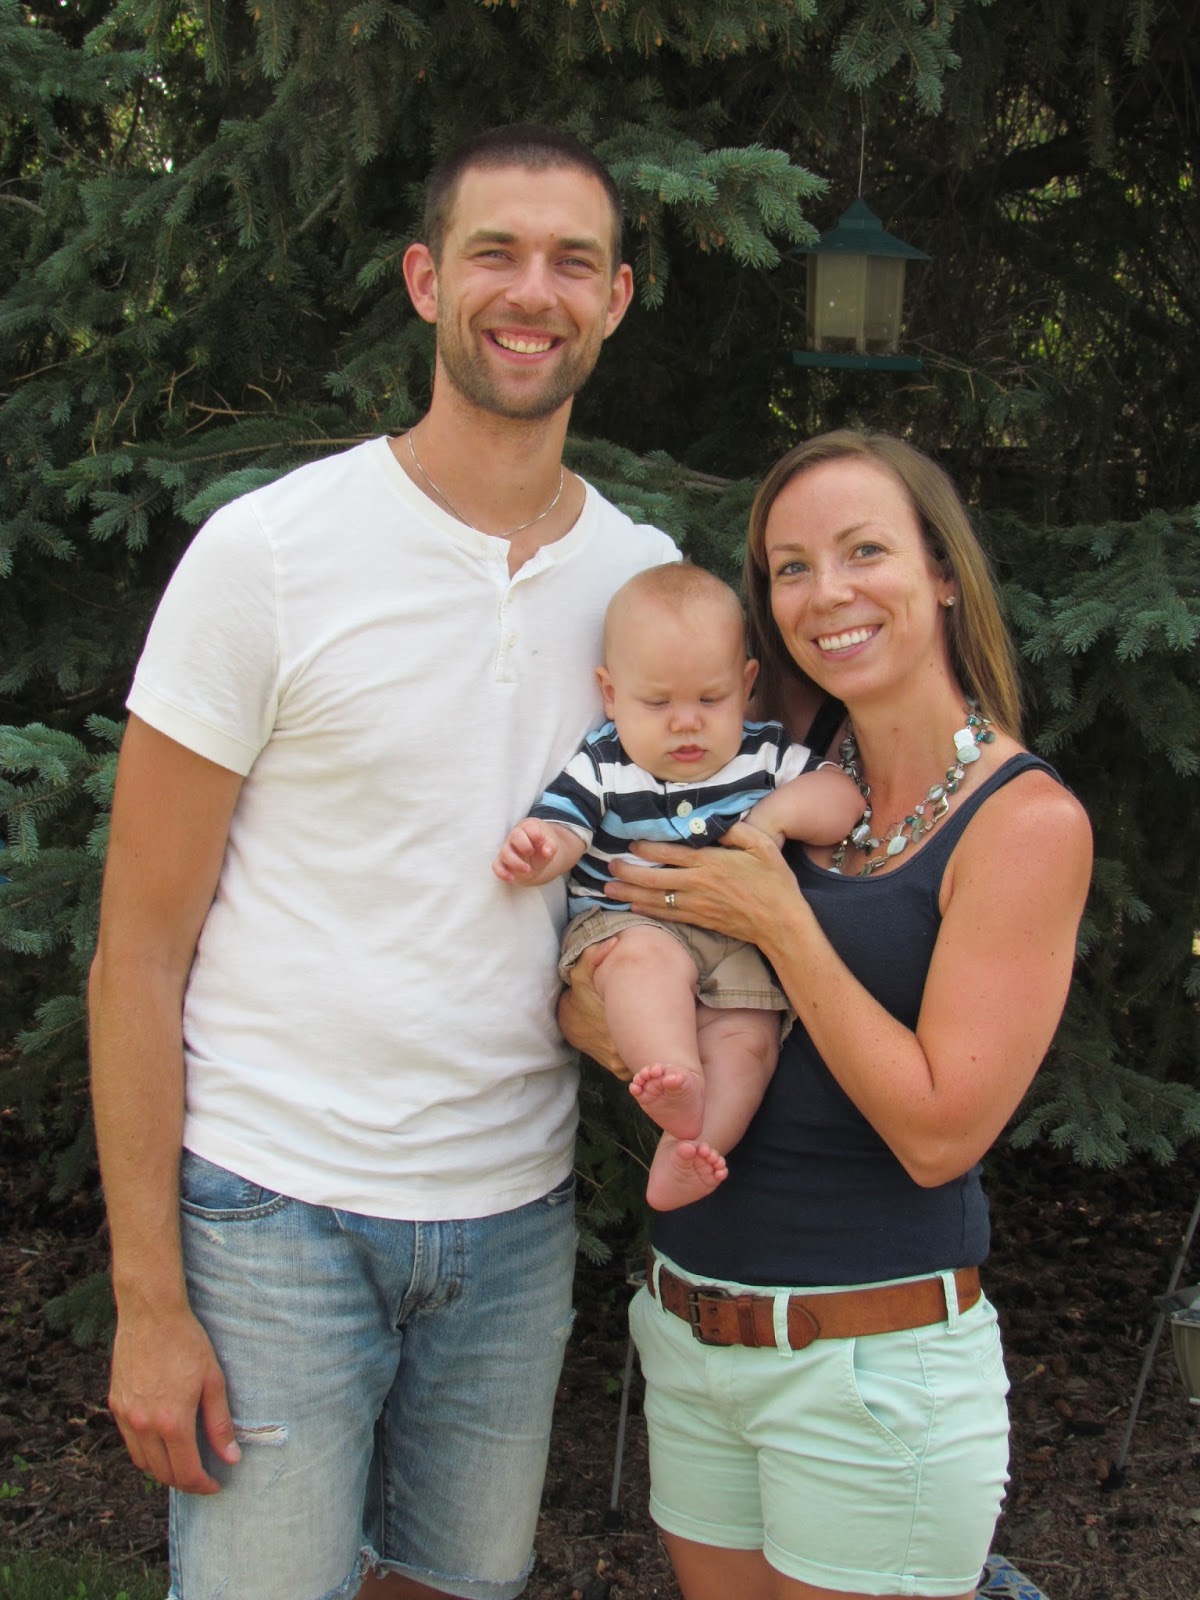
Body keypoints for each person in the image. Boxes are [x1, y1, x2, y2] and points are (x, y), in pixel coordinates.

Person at [87, 125, 678, 1600]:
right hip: (272, 1210)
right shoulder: (270, 555)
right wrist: (148, 1301)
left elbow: (642, 896)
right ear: (426, 280)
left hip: (515, 1218)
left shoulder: (643, 586)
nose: (532, 291)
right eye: (495, 253)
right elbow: (137, 952)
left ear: (616, 300)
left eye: (574, 262)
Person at [559, 430, 1093, 1600]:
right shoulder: (761, 761)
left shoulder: (1023, 821)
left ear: (941, 572)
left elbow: (941, 1133)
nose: (826, 591)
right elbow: (598, 961)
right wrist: (616, 1001)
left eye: (864, 551)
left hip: (867, 1364)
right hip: (692, 1331)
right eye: (791, 566)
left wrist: (782, 924)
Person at [493, 563, 862, 1210]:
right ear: (611, 694)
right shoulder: (604, 762)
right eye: (658, 703)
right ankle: (673, 1074)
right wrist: (540, 850)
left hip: (738, 943)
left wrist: (774, 818)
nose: (686, 722)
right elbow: (565, 827)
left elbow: (843, 798)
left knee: (749, 1042)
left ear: (746, 684)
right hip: (629, 924)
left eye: (710, 700)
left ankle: (692, 1147)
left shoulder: (765, 753)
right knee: (647, 967)